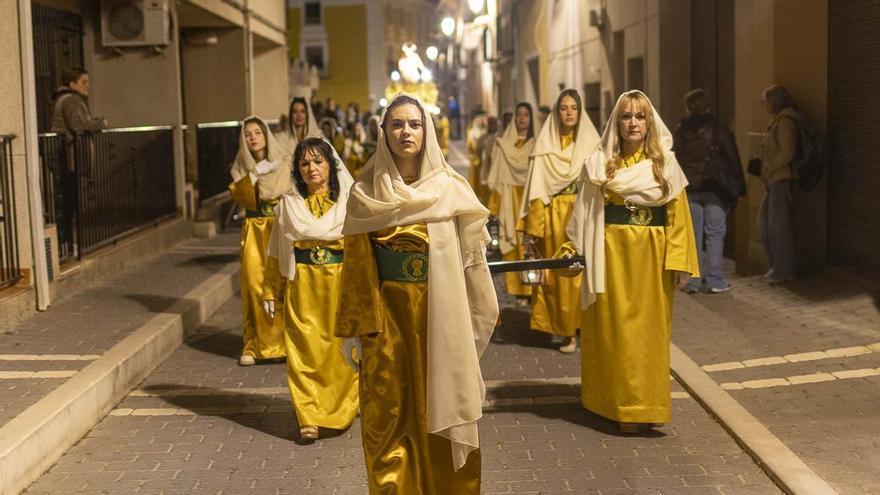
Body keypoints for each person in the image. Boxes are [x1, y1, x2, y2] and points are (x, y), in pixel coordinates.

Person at [335, 94, 498, 494]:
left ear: (426, 132)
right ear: (384, 133)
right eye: (397, 124)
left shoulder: (452, 191)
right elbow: (357, 271)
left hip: (441, 322)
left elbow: (473, 267)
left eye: (414, 124)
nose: (405, 132)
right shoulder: (364, 194)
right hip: (388, 329)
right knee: (389, 425)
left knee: (442, 422)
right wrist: (362, 332)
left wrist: (477, 319)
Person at [566, 90, 699, 434]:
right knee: (615, 331)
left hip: (651, 260)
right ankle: (618, 406)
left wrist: (679, 261)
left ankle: (647, 404)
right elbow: (584, 212)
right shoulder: (599, 164)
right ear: (617, 123)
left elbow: (678, 217)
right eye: (626, 116)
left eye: (640, 117)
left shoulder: (665, 165)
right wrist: (574, 248)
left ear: (649, 123)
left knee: (648, 335)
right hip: (609, 257)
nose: (633, 123)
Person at [262, 137, 358, 442]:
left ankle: (343, 405)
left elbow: (361, 251)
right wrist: (269, 291)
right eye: (304, 163)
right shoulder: (289, 205)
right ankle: (309, 416)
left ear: (331, 164)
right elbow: (276, 251)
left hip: (339, 284)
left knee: (338, 351)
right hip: (301, 287)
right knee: (302, 352)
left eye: (318, 161)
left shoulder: (349, 204)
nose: (311, 168)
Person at [520, 89, 600, 353]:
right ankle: (567, 332)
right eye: (564, 108)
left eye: (574, 108)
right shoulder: (545, 149)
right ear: (557, 112)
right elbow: (537, 191)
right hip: (556, 217)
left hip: (584, 213)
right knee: (561, 275)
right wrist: (533, 229)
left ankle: (587, 327)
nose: (569, 113)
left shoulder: (592, 145)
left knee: (586, 273)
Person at [228, 116, 291, 366]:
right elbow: (240, 197)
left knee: (281, 281)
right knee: (254, 282)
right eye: (247, 134)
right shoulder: (241, 167)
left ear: (266, 134)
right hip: (254, 229)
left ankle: (285, 343)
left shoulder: (284, 162)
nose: (252, 137)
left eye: (257, 132)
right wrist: (254, 174)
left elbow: (292, 193)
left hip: (278, 226)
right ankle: (255, 345)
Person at [673, 89, 745, 293]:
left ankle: (693, 281)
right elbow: (733, 159)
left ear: (687, 108)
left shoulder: (680, 132)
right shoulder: (719, 130)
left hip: (689, 190)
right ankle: (714, 280)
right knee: (715, 234)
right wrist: (739, 187)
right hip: (715, 190)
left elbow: (674, 159)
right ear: (708, 106)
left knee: (693, 236)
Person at [487, 102, 536, 305]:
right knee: (512, 245)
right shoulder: (503, 144)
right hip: (509, 199)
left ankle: (534, 289)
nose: (522, 118)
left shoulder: (538, 145)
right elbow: (497, 177)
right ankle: (518, 290)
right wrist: (494, 206)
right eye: (519, 115)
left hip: (530, 201)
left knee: (530, 245)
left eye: (526, 115)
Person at [755, 84, 798, 284]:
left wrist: (770, 167)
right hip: (773, 180)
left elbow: (788, 151)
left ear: (774, 101)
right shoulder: (777, 121)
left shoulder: (786, 121)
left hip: (781, 179)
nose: (763, 105)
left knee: (778, 227)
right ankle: (776, 267)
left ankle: (784, 270)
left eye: (765, 101)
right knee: (766, 224)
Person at [50, 66, 107, 139]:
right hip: (73, 147)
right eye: (84, 82)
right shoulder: (71, 100)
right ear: (72, 85)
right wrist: (100, 124)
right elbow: (77, 125)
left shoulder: (63, 98)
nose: (88, 86)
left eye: (88, 82)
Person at [478, 116, 500, 204]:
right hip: (486, 164)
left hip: (495, 166)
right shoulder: (484, 136)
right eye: (490, 123)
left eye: (493, 123)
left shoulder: (499, 137)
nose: (492, 126)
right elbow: (478, 149)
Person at [466, 113, 487, 200]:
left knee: (482, 177)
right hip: (475, 158)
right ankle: (475, 194)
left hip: (482, 159)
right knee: (474, 177)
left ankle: (482, 194)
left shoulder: (484, 132)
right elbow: (470, 144)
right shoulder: (472, 132)